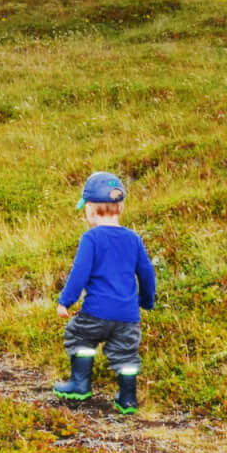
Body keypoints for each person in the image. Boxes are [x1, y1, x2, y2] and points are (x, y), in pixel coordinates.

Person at [53, 171, 156, 413]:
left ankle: (79, 384)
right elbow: (147, 272)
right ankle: (128, 398)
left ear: (89, 210)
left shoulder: (91, 238)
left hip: (96, 312)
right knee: (126, 354)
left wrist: (65, 301)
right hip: (128, 316)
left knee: (79, 336)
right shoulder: (134, 238)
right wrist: (147, 300)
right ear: (120, 208)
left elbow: (79, 273)